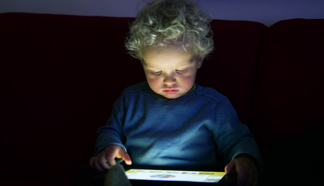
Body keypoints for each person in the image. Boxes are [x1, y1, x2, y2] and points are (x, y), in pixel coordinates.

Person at [90, 0, 262, 185]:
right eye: (156, 71)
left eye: (180, 70)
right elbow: (110, 130)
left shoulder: (213, 104)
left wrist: (244, 158)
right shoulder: (130, 99)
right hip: (139, 179)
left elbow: (237, 139)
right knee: (90, 173)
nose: (169, 80)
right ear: (142, 62)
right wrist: (110, 146)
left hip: (197, 179)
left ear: (199, 59)